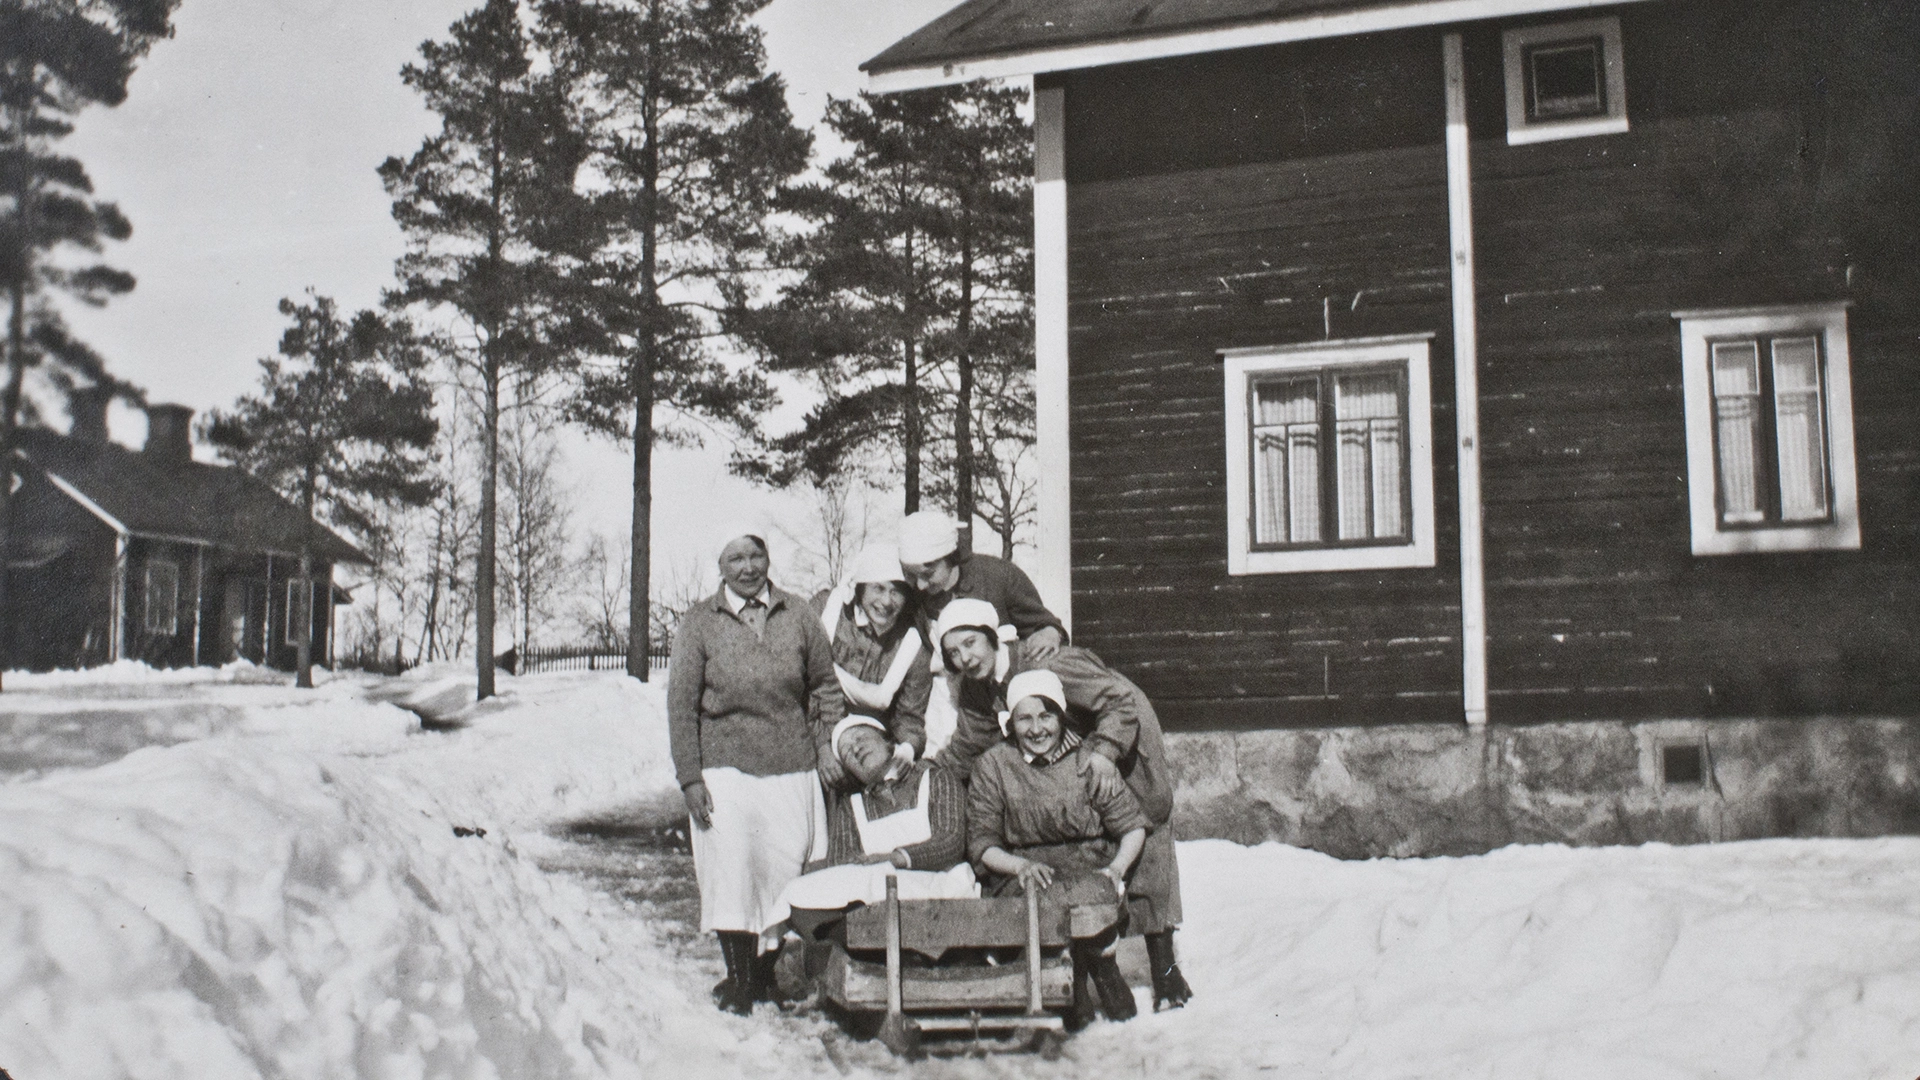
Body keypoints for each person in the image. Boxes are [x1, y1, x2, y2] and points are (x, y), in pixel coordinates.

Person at [933, 598, 1195, 1012]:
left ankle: (1166, 973)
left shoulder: (1051, 662)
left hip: (1122, 742)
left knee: (1144, 834)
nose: (964, 658)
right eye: (953, 652)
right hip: (1069, 752)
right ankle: (1089, 963)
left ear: (992, 638)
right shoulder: (977, 686)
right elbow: (971, 743)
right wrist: (927, 772)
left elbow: (1120, 701)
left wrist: (1106, 751)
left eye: (970, 643)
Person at [668, 532, 847, 1016]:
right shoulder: (699, 623)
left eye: (755, 555)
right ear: (720, 566)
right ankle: (741, 980)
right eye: (735, 558)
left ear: (768, 559)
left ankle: (765, 975)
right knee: (732, 872)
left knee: (782, 872)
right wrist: (690, 778)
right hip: (724, 770)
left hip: (791, 765)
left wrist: (826, 743)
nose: (747, 567)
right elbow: (681, 706)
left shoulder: (799, 614)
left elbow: (826, 687)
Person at [968, 669, 1149, 1025]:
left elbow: (1132, 826)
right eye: (1025, 719)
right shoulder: (994, 765)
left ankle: (1102, 965)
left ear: (1061, 716)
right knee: (1041, 906)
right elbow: (982, 842)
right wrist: (1018, 867)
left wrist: (1116, 869)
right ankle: (1068, 980)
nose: (1037, 729)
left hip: (1087, 862)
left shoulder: (1088, 760)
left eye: (1046, 716)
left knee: (1091, 896)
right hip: (1028, 868)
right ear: (1010, 722)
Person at [777, 716, 976, 936]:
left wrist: (893, 859)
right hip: (877, 905)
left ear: (888, 742)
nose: (856, 748)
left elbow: (950, 842)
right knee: (796, 891)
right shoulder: (851, 807)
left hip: (943, 894)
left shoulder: (937, 779)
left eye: (860, 737)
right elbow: (841, 867)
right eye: (846, 752)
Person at [897, 510, 1068, 756]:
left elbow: (1042, 625)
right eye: (912, 576)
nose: (921, 585)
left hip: (996, 699)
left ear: (950, 557)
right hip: (947, 700)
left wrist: (1051, 631)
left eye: (928, 574)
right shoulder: (915, 598)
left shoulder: (997, 576)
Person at [812, 544, 932, 771]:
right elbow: (796, 684)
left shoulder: (914, 645)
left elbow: (909, 718)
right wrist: (822, 745)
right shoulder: (827, 609)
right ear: (861, 587)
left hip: (868, 743)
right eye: (879, 588)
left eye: (896, 592)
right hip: (811, 729)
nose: (886, 601)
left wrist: (906, 750)